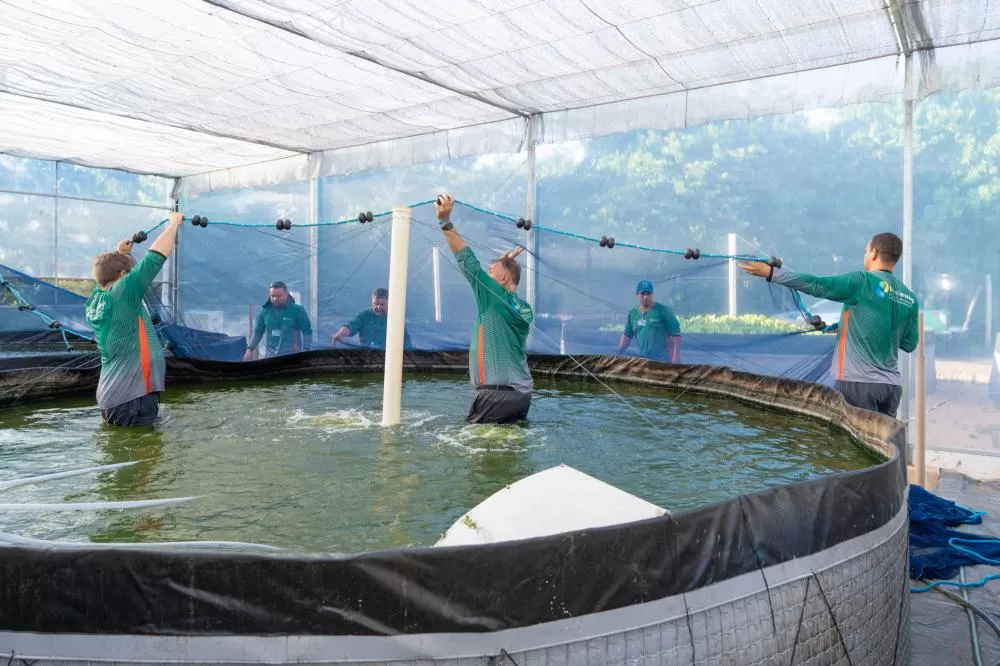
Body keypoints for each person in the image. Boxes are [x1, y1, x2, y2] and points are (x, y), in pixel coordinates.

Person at [739, 232, 919, 417]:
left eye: (866, 252)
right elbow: (909, 343)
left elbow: (818, 285)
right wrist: (842, 327)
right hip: (892, 389)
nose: (865, 256)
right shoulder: (909, 297)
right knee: (881, 444)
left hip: (858, 385)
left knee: (852, 443)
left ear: (873, 253)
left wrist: (772, 273)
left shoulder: (863, 281)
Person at [436, 193, 534, 424]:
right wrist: (503, 266)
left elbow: (467, 260)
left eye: (491, 272)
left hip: (495, 394)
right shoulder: (525, 308)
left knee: (472, 451)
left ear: (502, 280)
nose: (486, 275)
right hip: (522, 395)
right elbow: (503, 289)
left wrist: (445, 222)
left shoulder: (493, 295)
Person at [85, 211, 184, 426]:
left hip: (112, 398)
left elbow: (106, 271)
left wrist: (119, 253)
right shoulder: (122, 291)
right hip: (133, 398)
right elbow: (154, 258)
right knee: (149, 457)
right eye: (128, 273)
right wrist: (174, 224)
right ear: (122, 277)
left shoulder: (95, 298)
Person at [243, 281, 313, 361]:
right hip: (270, 357)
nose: (275, 299)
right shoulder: (265, 311)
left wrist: (306, 351)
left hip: (292, 356)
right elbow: (258, 331)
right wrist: (250, 349)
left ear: (286, 295)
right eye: (272, 296)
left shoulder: (298, 310)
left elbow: (307, 331)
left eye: (279, 296)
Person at [617, 280, 682, 363]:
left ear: (652, 294)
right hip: (643, 360)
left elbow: (676, 335)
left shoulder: (664, 311)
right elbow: (627, 336)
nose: (646, 297)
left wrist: (676, 357)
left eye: (648, 293)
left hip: (664, 360)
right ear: (637, 295)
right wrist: (619, 353)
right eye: (643, 293)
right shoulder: (633, 314)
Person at [331, 288, 413, 349]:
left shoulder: (396, 318)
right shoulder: (365, 315)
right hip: (367, 354)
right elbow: (350, 326)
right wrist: (339, 334)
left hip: (389, 356)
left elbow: (406, 342)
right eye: (375, 304)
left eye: (382, 304)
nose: (378, 307)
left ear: (390, 303)